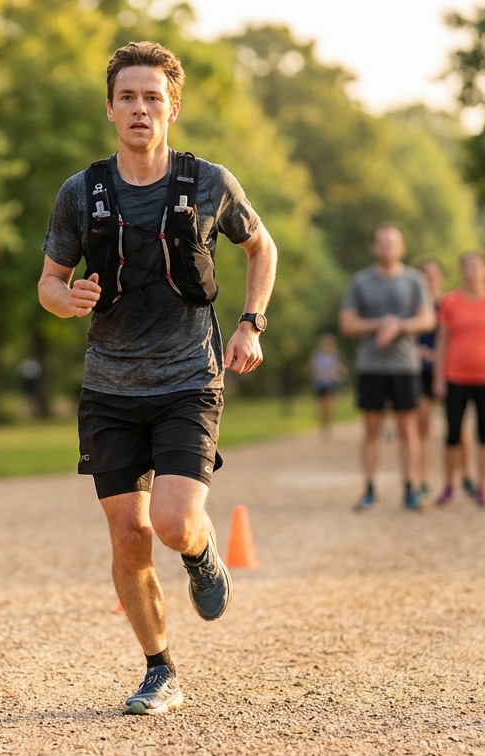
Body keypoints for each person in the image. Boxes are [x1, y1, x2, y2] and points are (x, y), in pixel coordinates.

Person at [38, 41, 277, 715]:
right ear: (110, 108)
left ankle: (201, 554)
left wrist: (251, 324)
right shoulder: (80, 194)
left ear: (173, 106)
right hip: (109, 387)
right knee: (128, 537)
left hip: (186, 382)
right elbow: (49, 284)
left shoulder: (209, 184)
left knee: (172, 522)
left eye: (152, 97)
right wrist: (67, 299)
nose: (140, 108)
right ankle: (159, 669)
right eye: (128, 97)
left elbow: (262, 247)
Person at [339, 223, 435, 512]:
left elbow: (428, 319)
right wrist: (379, 324)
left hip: (405, 366)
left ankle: (411, 487)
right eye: (381, 242)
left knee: (408, 428)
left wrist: (400, 326)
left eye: (392, 242)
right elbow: (347, 323)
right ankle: (369, 488)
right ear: (373, 248)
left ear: (402, 247)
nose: (387, 247)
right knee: (371, 429)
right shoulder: (361, 281)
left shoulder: (415, 280)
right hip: (371, 366)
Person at [431, 252, 485, 508]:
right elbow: (442, 341)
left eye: (476, 267)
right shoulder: (450, 302)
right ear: (461, 272)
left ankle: (483, 486)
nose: (471, 272)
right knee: (452, 433)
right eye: (466, 267)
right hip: (455, 376)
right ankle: (448, 485)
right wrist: (439, 376)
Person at [415, 260, 470, 503]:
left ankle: (464, 474)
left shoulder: (450, 303)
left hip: (449, 370)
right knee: (422, 424)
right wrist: (419, 352)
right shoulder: (414, 304)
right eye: (426, 275)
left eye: (434, 275)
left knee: (458, 427)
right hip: (419, 370)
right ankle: (424, 479)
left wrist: (442, 355)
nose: (430, 279)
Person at [310, 334, 346, 436]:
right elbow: (312, 368)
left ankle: (328, 424)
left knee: (329, 404)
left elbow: (339, 369)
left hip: (330, 382)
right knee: (321, 406)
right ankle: (323, 424)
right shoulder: (317, 355)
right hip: (319, 382)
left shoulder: (334, 355)